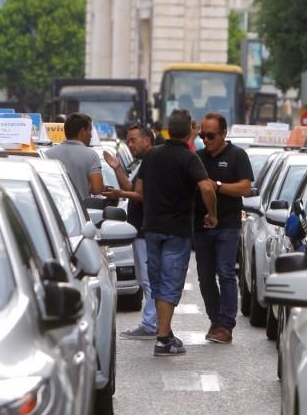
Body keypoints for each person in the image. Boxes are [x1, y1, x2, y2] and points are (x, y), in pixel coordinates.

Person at [134, 109, 218, 356]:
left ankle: (166, 331)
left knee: (158, 280)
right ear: (189, 132)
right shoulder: (190, 158)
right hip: (177, 229)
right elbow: (206, 187)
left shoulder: (151, 156)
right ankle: (162, 339)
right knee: (171, 282)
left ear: (168, 130)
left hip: (152, 228)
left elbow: (138, 188)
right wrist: (212, 214)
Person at [192, 113, 253, 344]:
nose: (205, 140)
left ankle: (226, 325)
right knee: (205, 277)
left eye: (210, 135)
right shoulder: (197, 158)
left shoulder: (237, 155)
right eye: (202, 135)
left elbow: (245, 188)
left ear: (224, 134)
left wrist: (217, 187)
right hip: (201, 225)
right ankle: (215, 321)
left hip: (227, 224)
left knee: (226, 272)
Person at [103, 124, 158, 339]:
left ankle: (151, 324)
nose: (130, 144)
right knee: (146, 279)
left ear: (147, 140)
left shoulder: (152, 162)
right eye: (128, 140)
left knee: (148, 279)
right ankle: (152, 322)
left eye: (133, 140)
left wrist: (120, 192)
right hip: (140, 229)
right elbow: (132, 189)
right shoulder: (142, 164)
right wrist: (117, 168)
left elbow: (143, 196)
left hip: (146, 228)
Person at [45, 112, 105, 200]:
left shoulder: (47, 154)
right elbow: (97, 189)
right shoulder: (91, 155)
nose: (91, 135)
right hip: (79, 211)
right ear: (82, 132)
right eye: (89, 131)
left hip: (53, 210)